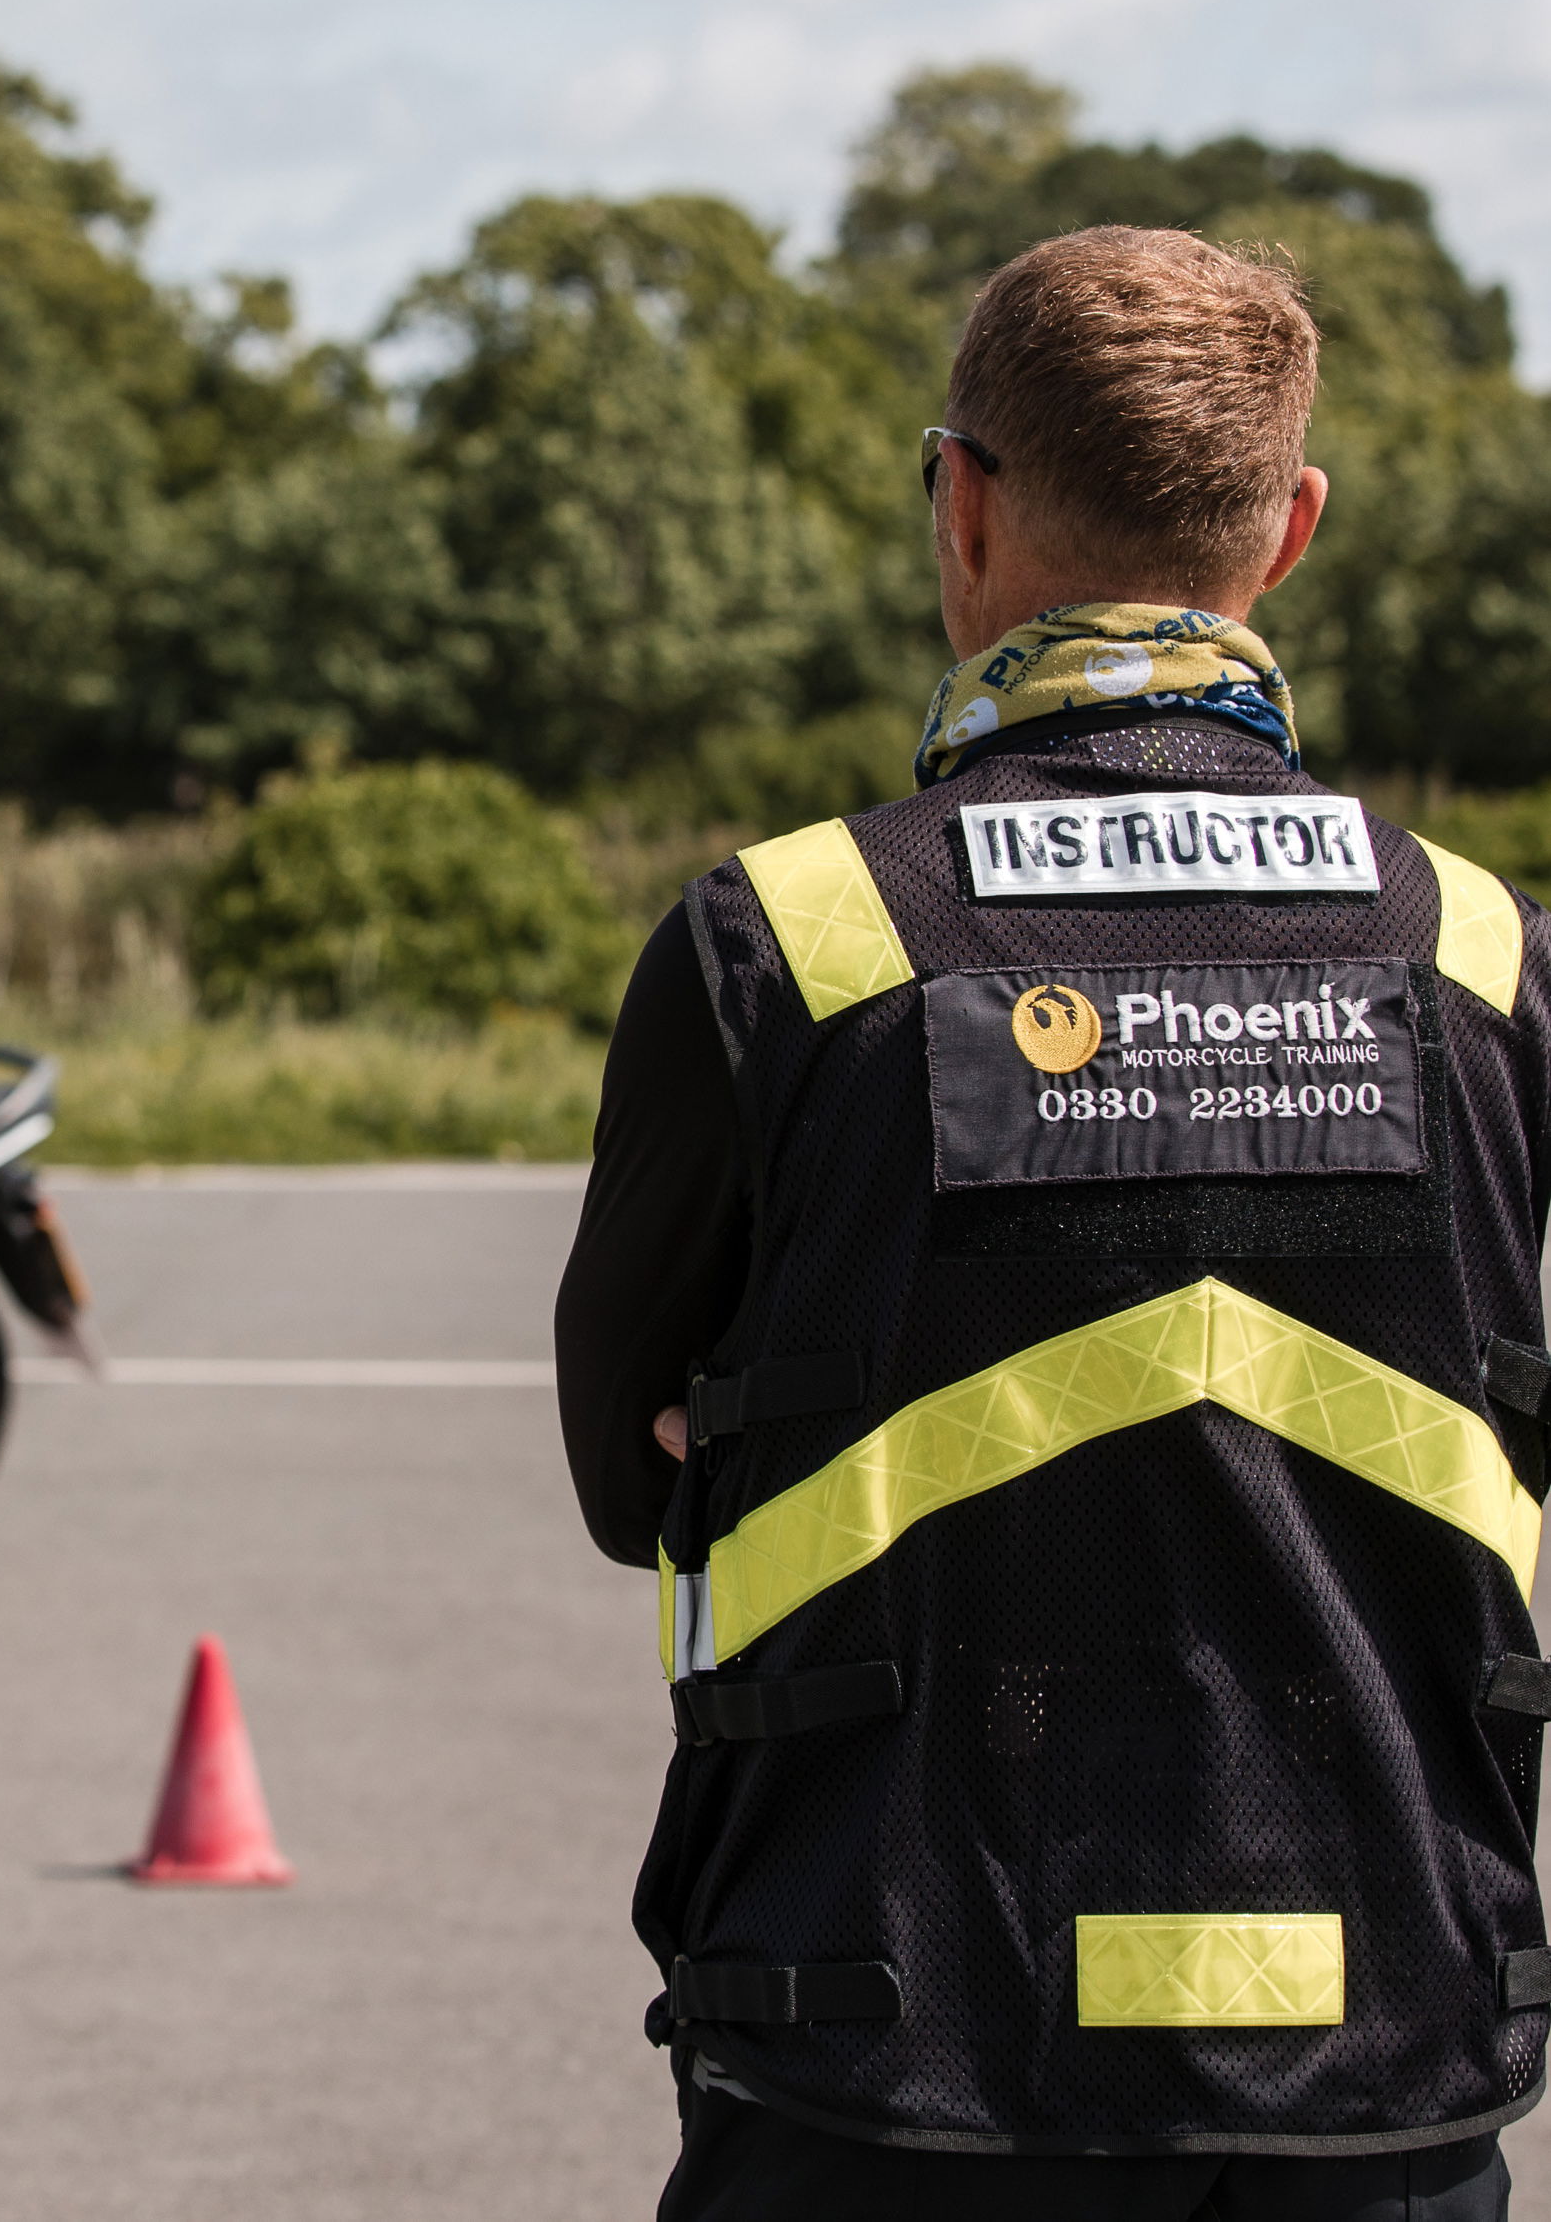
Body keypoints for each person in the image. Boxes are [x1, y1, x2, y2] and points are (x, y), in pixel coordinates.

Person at [556, 227, 1551, 2220]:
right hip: (1375, 2061)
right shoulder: (1480, 954)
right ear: (1290, 528)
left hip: (883, 2050)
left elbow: (623, 1468)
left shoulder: (787, 943)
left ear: (959, 500)